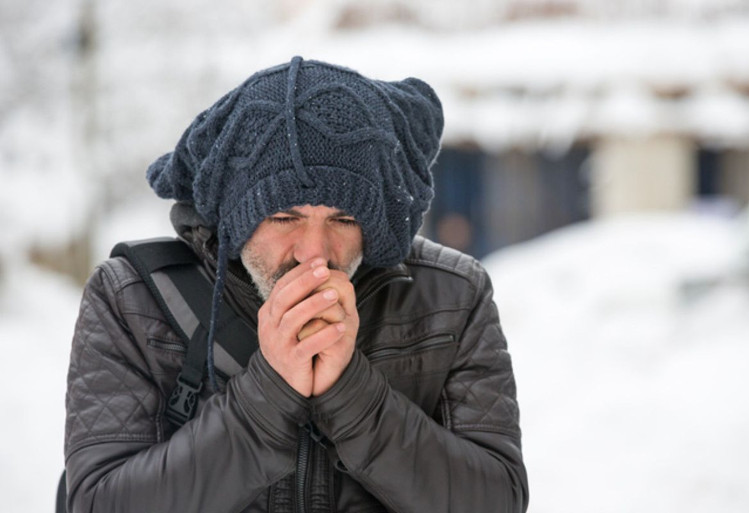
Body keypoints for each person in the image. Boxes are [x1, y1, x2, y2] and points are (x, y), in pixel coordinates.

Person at [64, 56, 528, 513]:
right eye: (285, 218)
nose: (314, 253)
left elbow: (497, 500)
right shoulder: (133, 299)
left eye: (344, 219)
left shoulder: (453, 296)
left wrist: (353, 394)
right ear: (236, 217)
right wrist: (268, 394)